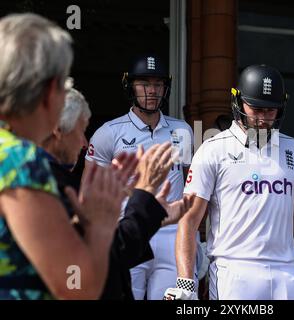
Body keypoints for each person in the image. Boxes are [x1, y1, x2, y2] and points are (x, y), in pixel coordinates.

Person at [165, 64, 294, 300]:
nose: (263, 118)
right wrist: (185, 281)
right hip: (235, 273)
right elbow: (189, 220)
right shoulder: (213, 149)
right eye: (256, 109)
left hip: (288, 273)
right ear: (238, 102)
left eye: (270, 110)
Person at [0, 13, 136, 299]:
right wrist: (100, 224)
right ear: (50, 90)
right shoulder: (20, 162)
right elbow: (76, 288)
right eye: (66, 83)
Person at [41, 88, 194, 299]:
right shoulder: (40, 181)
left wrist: (152, 215)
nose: (85, 143)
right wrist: (145, 191)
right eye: (81, 130)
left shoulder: (49, 177)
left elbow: (105, 251)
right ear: (59, 130)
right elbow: (86, 263)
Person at [85, 53, 201, 300]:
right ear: (130, 86)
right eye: (144, 84)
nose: (152, 91)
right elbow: (91, 191)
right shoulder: (108, 133)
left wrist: (195, 236)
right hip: (129, 230)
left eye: (158, 84)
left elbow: (192, 185)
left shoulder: (182, 130)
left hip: (172, 236)